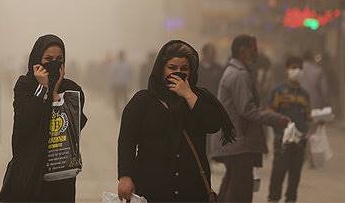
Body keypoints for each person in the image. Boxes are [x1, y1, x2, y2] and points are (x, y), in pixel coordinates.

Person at [117, 40, 235, 202]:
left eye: (184, 69)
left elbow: (213, 124)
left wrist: (188, 95)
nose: (178, 72)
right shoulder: (143, 101)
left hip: (191, 187)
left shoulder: (199, 98)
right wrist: (125, 176)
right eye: (172, 68)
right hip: (153, 187)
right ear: (161, 69)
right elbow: (127, 141)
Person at [0, 35, 87, 202]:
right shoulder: (25, 86)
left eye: (59, 59)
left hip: (61, 171)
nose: (54, 63)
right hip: (30, 168)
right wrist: (43, 88)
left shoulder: (72, 90)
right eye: (48, 59)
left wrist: (55, 95)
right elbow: (25, 121)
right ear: (37, 59)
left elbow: (75, 127)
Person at [211, 34, 289, 203]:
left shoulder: (235, 72)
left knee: (230, 188)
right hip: (239, 144)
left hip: (235, 142)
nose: (257, 53)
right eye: (254, 49)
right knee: (240, 193)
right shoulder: (239, 75)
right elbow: (247, 111)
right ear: (243, 51)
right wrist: (276, 119)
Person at [267, 56, 311, 203]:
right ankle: (273, 199)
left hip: (299, 141)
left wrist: (319, 120)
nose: (296, 71)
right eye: (293, 67)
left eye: (299, 68)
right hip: (282, 140)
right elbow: (270, 113)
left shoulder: (305, 95)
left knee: (295, 175)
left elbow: (308, 117)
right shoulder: (278, 92)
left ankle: (290, 200)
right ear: (287, 69)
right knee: (278, 173)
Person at [109, 51, 133, 118]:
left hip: (118, 85)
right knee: (124, 99)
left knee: (117, 100)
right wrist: (130, 84)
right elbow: (130, 75)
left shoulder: (114, 65)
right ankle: (124, 112)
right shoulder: (127, 65)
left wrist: (111, 85)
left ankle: (118, 113)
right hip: (123, 85)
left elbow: (111, 76)